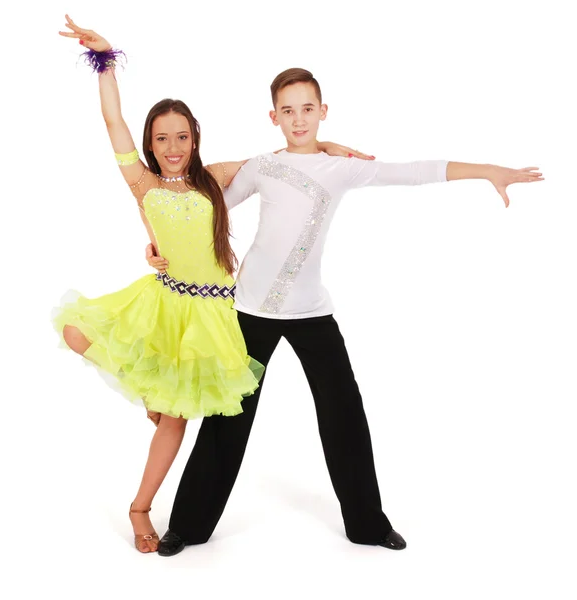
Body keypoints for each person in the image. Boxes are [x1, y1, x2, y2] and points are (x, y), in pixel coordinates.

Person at [147, 67, 544, 556]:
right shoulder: (262, 167)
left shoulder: (344, 168)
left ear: (323, 112)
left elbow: (412, 171)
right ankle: (186, 526)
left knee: (344, 415)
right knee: (229, 418)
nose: (298, 119)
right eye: (287, 110)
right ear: (273, 116)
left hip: (312, 315)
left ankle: (368, 524)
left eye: (307, 109)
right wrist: (157, 249)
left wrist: (487, 171)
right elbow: (206, 215)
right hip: (250, 312)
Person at [55, 17, 368, 554]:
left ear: (195, 138)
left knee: (177, 420)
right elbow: (113, 124)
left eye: (181, 136)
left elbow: (282, 158)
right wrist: (104, 62)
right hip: (164, 304)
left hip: (216, 314)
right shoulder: (143, 184)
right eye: (161, 139)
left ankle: (140, 507)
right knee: (77, 333)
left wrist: (331, 143)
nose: (172, 146)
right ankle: (150, 411)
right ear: (151, 146)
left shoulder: (216, 176)